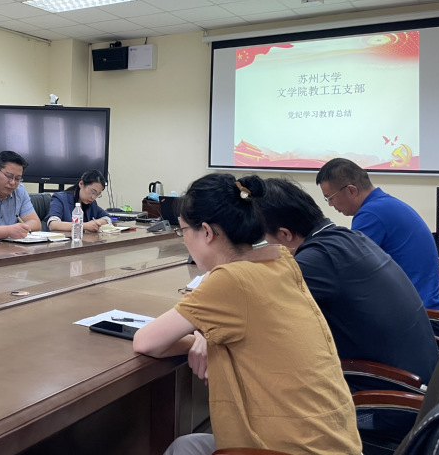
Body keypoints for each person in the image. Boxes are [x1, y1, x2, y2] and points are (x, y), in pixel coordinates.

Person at [132, 174, 360, 455]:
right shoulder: (281, 261)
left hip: (291, 448)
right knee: (187, 445)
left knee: (184, 448)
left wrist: (199, 339)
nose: (184, 240)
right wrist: (205, 336)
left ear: (206, 232)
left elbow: (146, 342)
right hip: (334, 442)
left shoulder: (231, 280)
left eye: (183, 231)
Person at [256, 178, 439, 391]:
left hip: (391, 393)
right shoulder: (349, 238)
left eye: (267, 240)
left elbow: (256, 304)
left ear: (285, 234)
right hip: (424, 378)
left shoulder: (317, 261)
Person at [315, 158, 439, 314]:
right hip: (424, 306)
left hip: (415, 315)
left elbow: (348, 269)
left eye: (330, 198)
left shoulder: (371, 214)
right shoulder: (384, 205)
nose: (330, 204)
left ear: (351, 191)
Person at [46, 170, 111, 234]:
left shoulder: (91, 203)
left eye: (97, 194)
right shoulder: (60, 198)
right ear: (81, 184)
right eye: (93, 192)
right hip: (63, 240)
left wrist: (96, 223)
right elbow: (53, 224)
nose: (93, 197)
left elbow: (108, 218)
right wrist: (84, 226)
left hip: (83, 240)